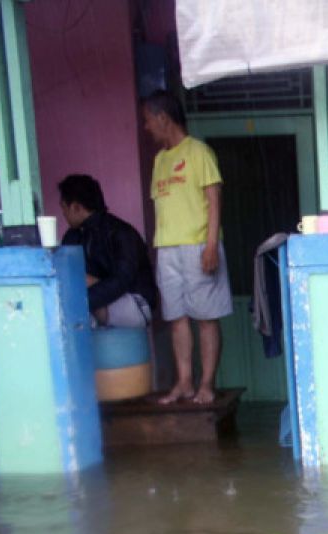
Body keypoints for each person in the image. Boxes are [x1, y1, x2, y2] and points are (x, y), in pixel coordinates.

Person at [142, 90, 231, 405]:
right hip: (167, 249)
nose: (147, 127)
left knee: (206, 317)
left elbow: (214, 200)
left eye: (148, 120)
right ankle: (184, 383)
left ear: (163, 118)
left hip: (198, 245)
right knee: (176, 317)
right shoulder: (160, 160)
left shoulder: (199, 152)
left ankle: (206, 384)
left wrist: (210, 246)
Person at [57, 174, 157, 328]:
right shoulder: (73, 236)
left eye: (64, 206)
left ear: (76, 207)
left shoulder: (120, 232)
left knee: (79, 283)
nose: (63, 213)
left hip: (135, 303)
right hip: (98, 303)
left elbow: (123, 279)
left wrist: (84, 300)